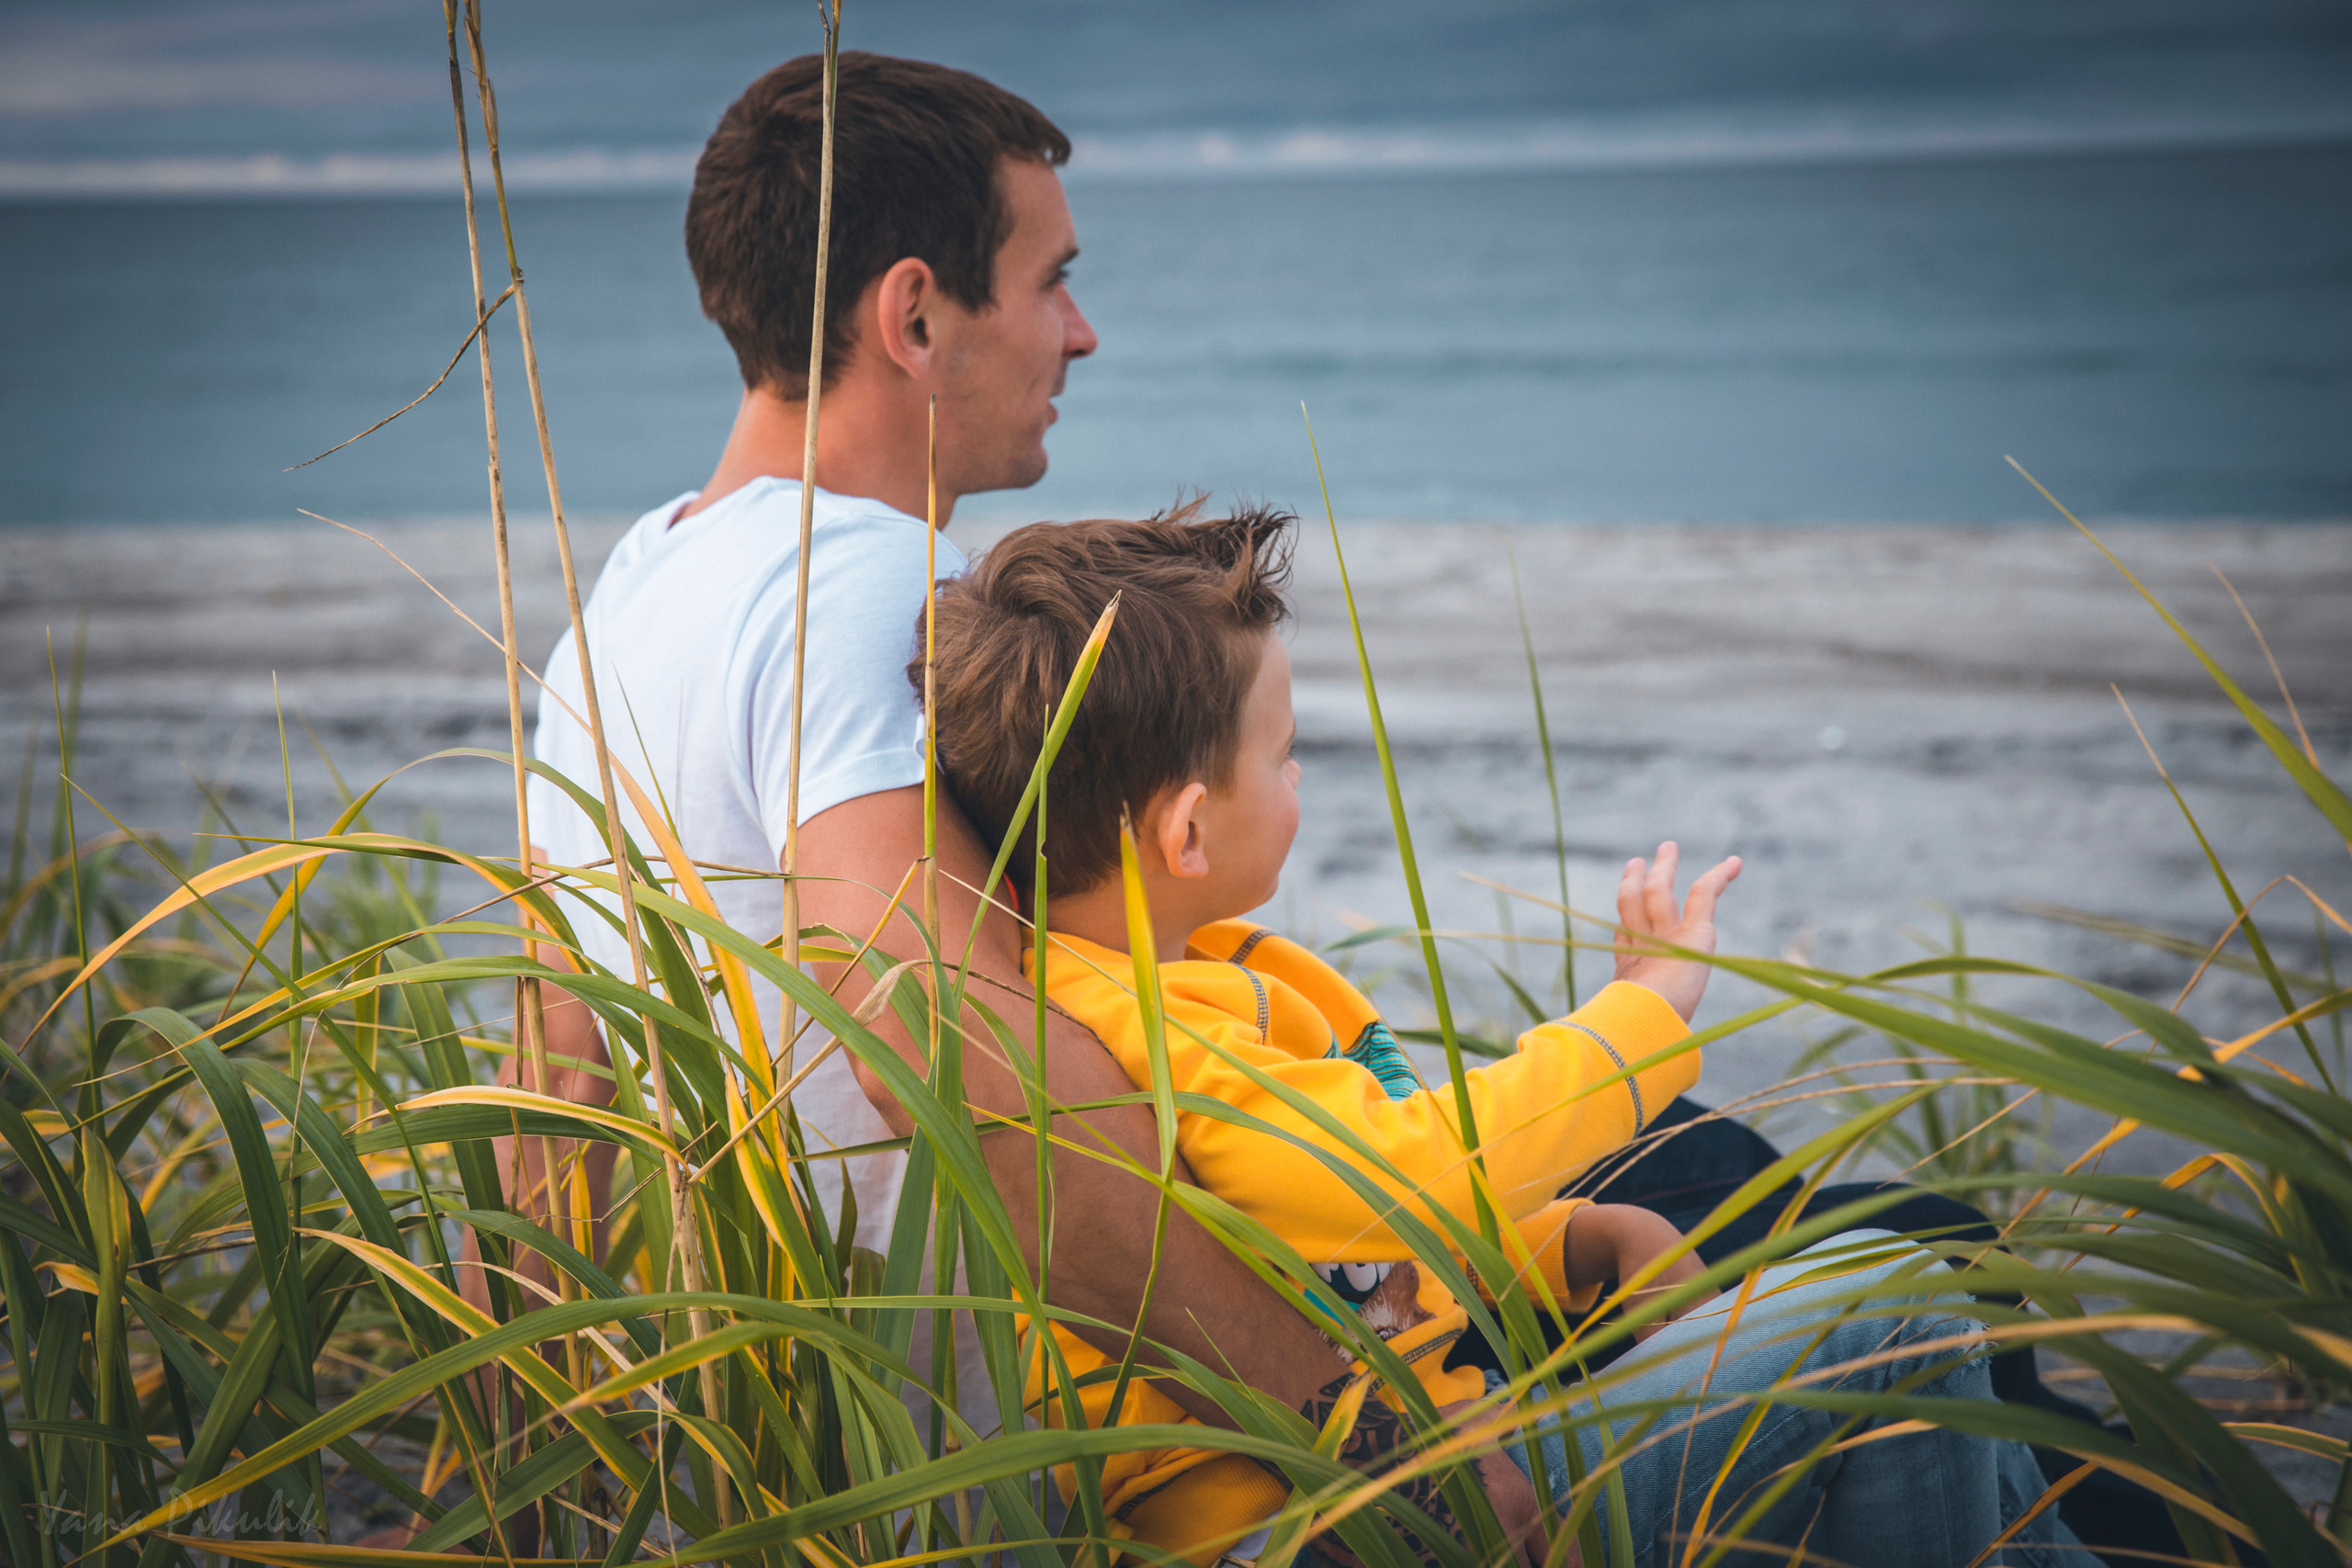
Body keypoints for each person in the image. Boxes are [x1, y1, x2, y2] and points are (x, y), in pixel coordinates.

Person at [505, 48, 1541, 1545]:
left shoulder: (616, 607)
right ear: (915, 314)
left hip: (778, 1459)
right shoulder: (860, 591)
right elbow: (945, 1045)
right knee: (1872, 1301)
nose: (1084, 331)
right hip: (1054, 1469)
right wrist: (1366, 1436)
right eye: (1051, 280)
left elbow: (555, 1103)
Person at [915, 503, 2079, 1566]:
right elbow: (1405, 1175)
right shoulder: (1136, 1028)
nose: (1297, 772)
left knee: (1927, 1357)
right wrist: (1643, 1012)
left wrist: (1567, 1242)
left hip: (1430, 1462)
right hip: (1312, 1540)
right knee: (1902, 1311)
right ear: (1183, 836)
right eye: (1278, 756)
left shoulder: (1202, 984)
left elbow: (1347, 1269)